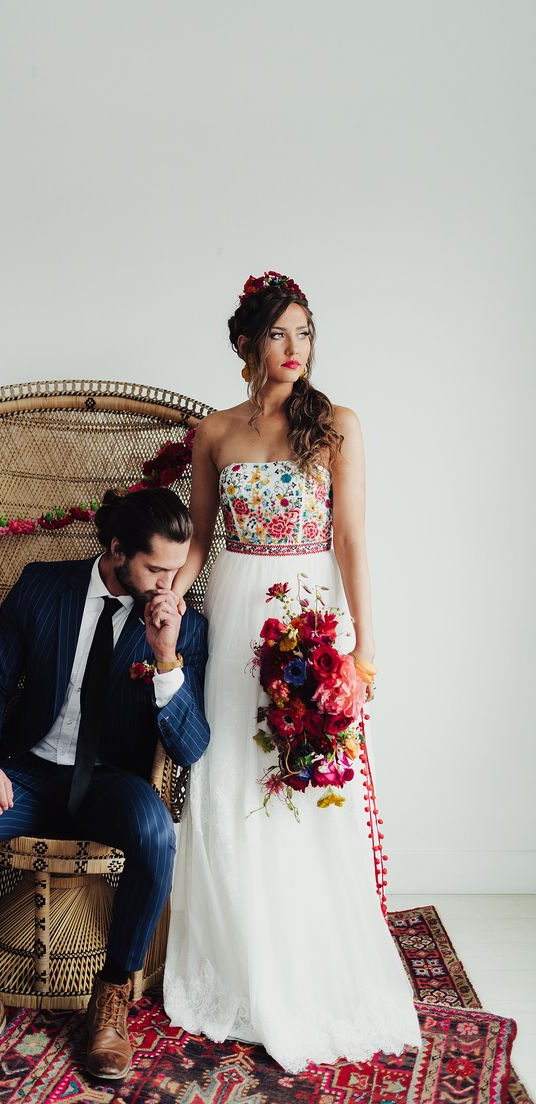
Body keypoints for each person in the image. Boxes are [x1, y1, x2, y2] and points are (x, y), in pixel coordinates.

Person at [162, 271, 422, 1071]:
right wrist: (167, 604)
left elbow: (351, 541)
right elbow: (201, 540)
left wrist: (361, 648)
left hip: (307, 609)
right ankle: (243, 961)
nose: (294, 349)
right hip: (238, 606)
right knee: (236, 778)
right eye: (279, 334)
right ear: (247, 344)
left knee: (304, 781)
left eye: (304, 333)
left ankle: (310, 960)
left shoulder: (336, 424)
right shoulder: (216, 433)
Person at [0, 487, 210, 1081]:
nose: (168, 583)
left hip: (111, 781)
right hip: (27, 773)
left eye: (177, 570)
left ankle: (112, 993)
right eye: (155, 568)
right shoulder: (42, 585)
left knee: (156, 834)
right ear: (115, 550)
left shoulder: (184, 625)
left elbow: (191, 745)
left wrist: (165, 658)